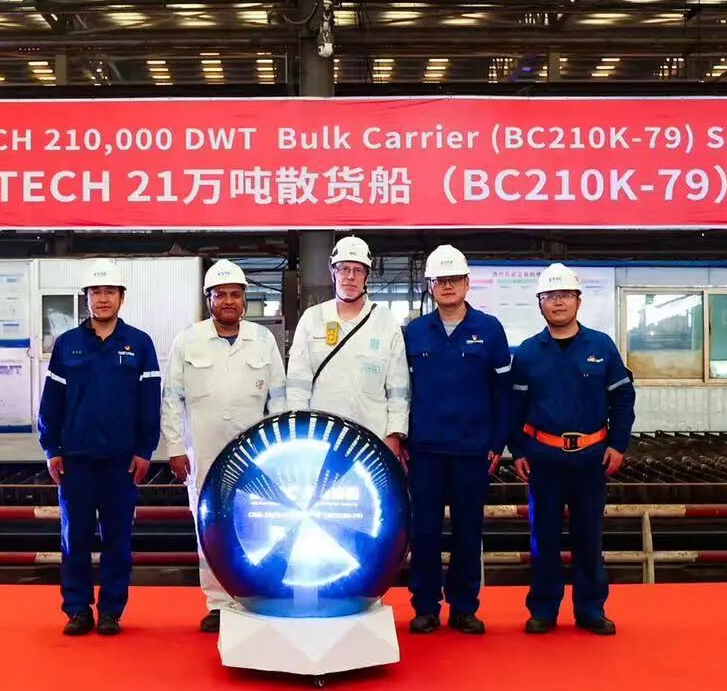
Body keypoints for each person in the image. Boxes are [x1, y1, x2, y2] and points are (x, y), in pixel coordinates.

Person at [505, 263, 636, 636]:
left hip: (591, 459)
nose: (557, 302)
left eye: (564, 295)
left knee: (589, 536)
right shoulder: (528, 353)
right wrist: (519, 450)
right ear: (540, 303)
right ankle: (544, 609)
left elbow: (623, 398)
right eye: (550, 296)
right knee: (543, 537)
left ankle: (590, 609)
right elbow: (513, 408)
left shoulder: (601, 347)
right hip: (543, 460)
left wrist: (618, 444)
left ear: (578, 300)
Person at [37, 259, 162, 636]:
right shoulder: (67, 345)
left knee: (117, 540)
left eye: (110, 292)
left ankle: (110, 610)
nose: (103, 299)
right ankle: (77, 609)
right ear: (86, 298)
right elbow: (51, 402)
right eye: (95, 292)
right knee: (74, 538)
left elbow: (150, 402)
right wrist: (51, 448)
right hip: (76, 460)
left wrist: (145, 450)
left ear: (122, 297)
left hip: (121, 462)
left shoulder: (140, 344)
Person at [162, 259, 288, 633]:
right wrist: (175, 447)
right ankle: (218, 603)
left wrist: (279, 449)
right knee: (209, 526)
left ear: (245, 299)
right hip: (203, 451)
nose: (229, 301)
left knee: (256, 524)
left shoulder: (262, 340)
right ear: (209, 300)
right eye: (221, 295)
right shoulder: (187, 340)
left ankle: (253, 595)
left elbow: (279, 398)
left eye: (235, 294)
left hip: (256, 455)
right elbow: (171, 398)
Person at [401, 244, 512, 635]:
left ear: (466, 283)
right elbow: (401, 391)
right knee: (424, 531)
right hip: (425, 451)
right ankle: (425, 606)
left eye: (453, 279)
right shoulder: (414, 332)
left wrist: (497, 443)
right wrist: (403, 439)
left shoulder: (490, 329)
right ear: (430, 286)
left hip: (472, 450)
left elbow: (504, 393)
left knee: (468, 530)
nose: (447, 286)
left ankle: (464, 607)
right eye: (439, 280)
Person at [285, 235, 409, 456]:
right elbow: (297, 385)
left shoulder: (385, 320)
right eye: (344, 268)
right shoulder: (312, 318)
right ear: (333, 272)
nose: (350, 276)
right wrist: (299, 432)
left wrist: (394, 434)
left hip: (373, 438)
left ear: (366, 275)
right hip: (321, 438)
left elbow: (398, 387)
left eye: (358, 270)